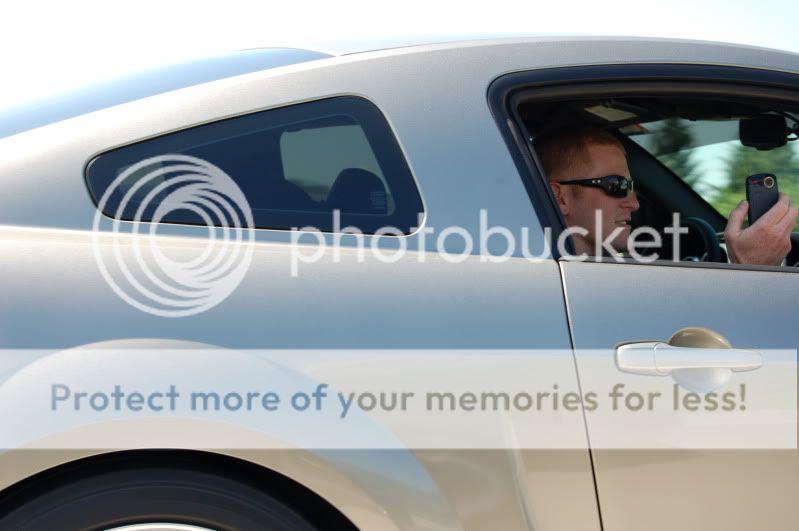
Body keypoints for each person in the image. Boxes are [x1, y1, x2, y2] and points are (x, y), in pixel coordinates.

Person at [533, 126, 798, 265]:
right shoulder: (565, 290)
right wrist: (751, 269)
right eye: (615, 185)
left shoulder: (608, 276)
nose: (634, 202)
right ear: (561, 197)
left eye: (631, 185)